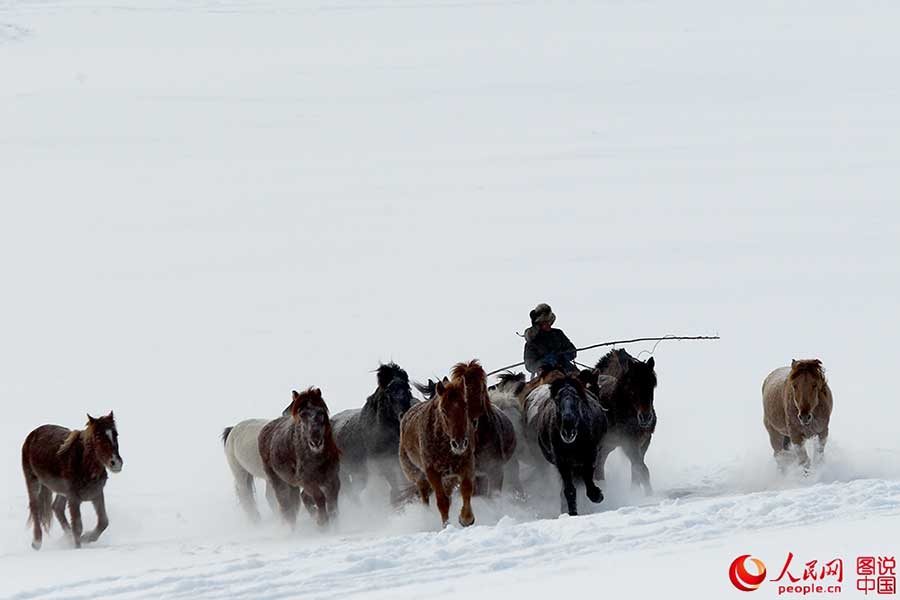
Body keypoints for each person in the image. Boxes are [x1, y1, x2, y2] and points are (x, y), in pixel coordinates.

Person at [523, 303, 577, 376]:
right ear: (539, 324)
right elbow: (530, 366)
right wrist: (544, 362)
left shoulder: (558, 333)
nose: (548, 324)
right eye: (545, 322)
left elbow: (572, 350)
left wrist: (563, 356)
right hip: (546, 376)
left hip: (568, 370)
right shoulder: (532, 343)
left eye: (549, 321)